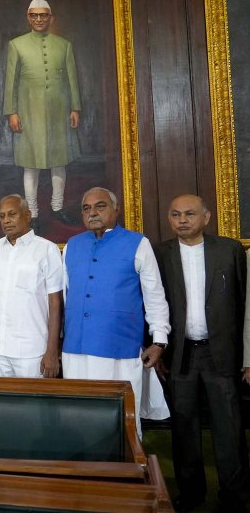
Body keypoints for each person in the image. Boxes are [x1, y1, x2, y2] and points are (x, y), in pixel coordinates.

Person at [153, 195, 250, 511]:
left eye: (190, 214)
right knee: (184, 431)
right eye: (175, 214)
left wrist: (247, 356)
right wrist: (158, 352)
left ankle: (234, 496)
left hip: (221, 353)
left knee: (229, 429)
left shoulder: (230, 250)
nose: (182, 220)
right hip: (180, 356)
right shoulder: (161, 253)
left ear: (206, 217)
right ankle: (191, 494)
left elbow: (245, 304)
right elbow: (151, 303)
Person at [62, 187, 170, 437]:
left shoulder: (138, 243)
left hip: (118, 349)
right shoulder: (72, 246)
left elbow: (154, 295)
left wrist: (159, 340)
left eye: (100, 206)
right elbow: (66, 296)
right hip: (75, 350)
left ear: (116, 209)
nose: (92, 213)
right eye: (86, 208)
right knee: (78, 418)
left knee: (120, 423)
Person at [3, 0, 81, 229]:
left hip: (59, 111)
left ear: (51, 18)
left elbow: (71, 79)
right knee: (31, 163)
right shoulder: (16, 45)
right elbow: (11, 82)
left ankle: (57, 207)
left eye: (43, 15)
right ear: (28, 18)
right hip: (29, 111)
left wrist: (75, 108)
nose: (39, 19)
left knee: (60, 162)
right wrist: (12, 112)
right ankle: (33, 213)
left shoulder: (64, 45)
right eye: (34, 15)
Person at [0, 195, 63, 378]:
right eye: (2, 216)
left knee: (34, 405)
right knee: (2, 403)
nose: (6, 220)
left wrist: (52, 350)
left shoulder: (47, 249)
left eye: (12, 214)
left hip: (33, 349)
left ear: (28, 215)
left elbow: (55, 303)